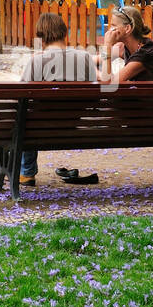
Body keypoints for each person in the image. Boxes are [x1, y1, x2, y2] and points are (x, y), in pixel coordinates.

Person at [18, 12, 99, 187]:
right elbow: (94, 96)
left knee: (24, 117)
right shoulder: (84, 58)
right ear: (65, 33)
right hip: (75, 125)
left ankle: (26, 173)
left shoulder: (36, 61)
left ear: (41, 36)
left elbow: (21, 97)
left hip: (39, 129)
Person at [98, 6, 153, 83]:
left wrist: (107, 45)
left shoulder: (145, 53)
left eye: (114, 25)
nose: (110, 29)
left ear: (127, 28)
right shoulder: (122, 47)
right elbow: (92, 61)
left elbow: (110, 83)